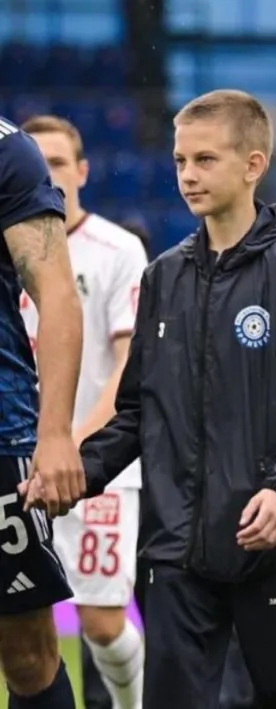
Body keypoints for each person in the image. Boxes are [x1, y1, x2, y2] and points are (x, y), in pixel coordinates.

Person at [25, 89, 276, 708]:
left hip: (269, 540)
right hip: (175, 548)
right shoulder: (164, 276)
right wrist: (77, 475)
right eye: (180, 161)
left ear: (253, 165)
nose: (187, 175)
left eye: (205, 160)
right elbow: (136, 412)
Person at [19, 115, 148, 709]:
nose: (49, 176)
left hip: (94, 463)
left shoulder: (120, 250)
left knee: (100, 623)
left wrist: (72, 441)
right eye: (37, 163)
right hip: (15, 462)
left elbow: (127, 366)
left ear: (84, 171)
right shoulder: (9, 248)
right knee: (20, 626)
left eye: (60, 163)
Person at [0, 114, 83, 709]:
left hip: (1, 437)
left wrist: (54, 435)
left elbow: (56, 294)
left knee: (27, 655)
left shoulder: (8, 152)